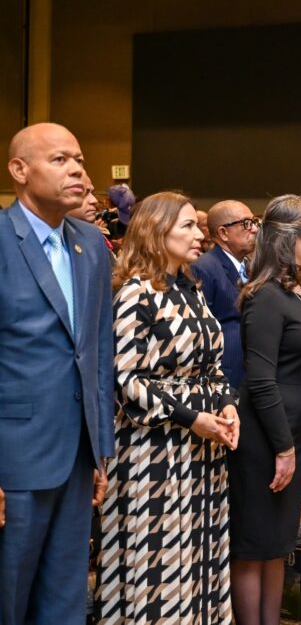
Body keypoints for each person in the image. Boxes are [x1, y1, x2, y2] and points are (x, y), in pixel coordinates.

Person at [95, 191, 239, 622]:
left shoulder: (191, 289)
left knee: (198, 550)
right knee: (158, 556)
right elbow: (125, 378)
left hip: (202, 445)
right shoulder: (135, 292)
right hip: (152, 450)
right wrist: (192, 418)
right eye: (188, 227)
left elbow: (212, 365)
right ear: (156, 232)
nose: (200, 235)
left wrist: (228, 405)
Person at [0, 123, 114, 625]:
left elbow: (98, 354)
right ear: (20, 171)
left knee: (65, 598)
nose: (79, 172)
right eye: (61, 160)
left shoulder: (89, 244)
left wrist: (101, 451)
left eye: (80, 159)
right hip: (14, 459)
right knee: (9, 595)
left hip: (77, 455)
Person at [230, 194, 301, 624]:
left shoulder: (300, 289)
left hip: (293, 425)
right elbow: (262, 378)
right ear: (289, 241)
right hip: (264, 434)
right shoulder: (265, 296)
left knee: (278, 543)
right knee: (255, 544)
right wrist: (282, 448)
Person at [191, 200, 259, 389]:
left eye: (254, 222)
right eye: (246, 223)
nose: (253, 229)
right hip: (226, 376)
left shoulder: (251, 266)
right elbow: (201, 331)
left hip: (251, 372)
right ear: (223, 233)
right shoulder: (204, 267)